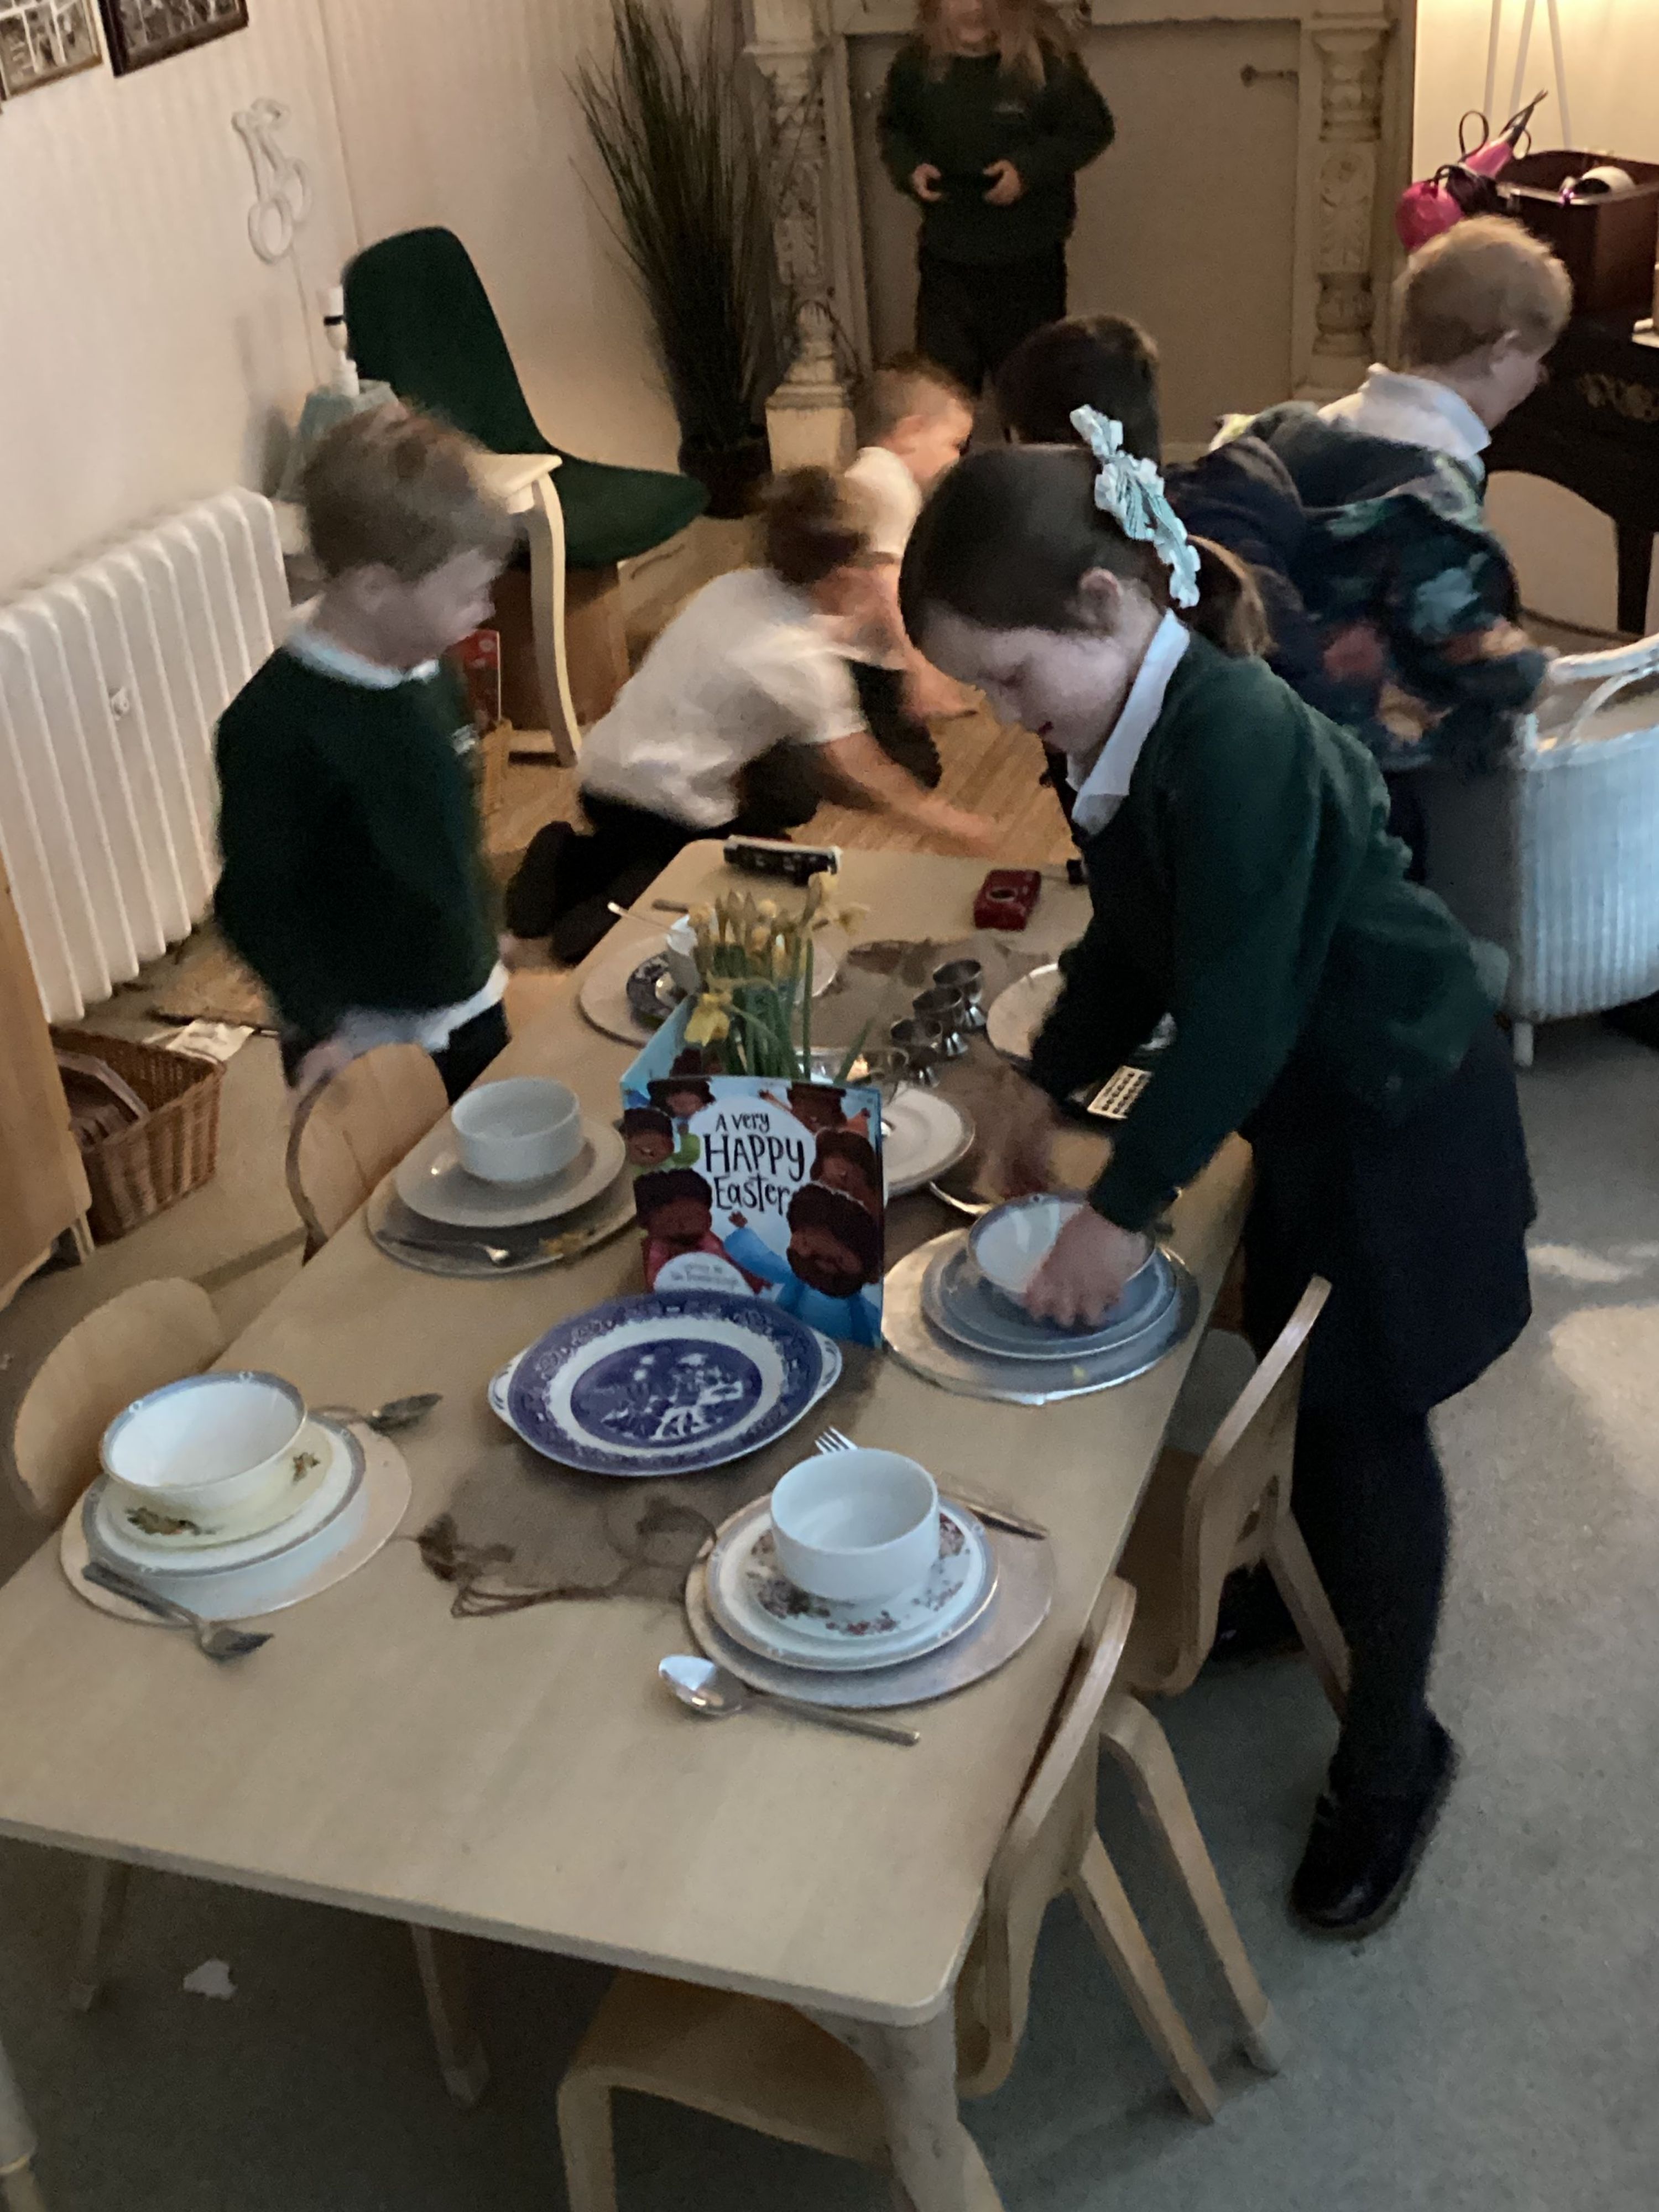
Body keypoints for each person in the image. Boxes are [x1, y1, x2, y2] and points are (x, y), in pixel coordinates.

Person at [899, 420, 1535, 1938]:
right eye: (980, 690)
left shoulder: (1233, 737)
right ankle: (1281, 1583)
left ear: (1107, 604)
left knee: (1373, 1429)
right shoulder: (1121, 726)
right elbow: (1138, 947)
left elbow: (1239, 1010)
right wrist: (1043, 1085)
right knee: (1301, 1375)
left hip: (1399, 1107)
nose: (1005, 714)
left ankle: (1394, 1753)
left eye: (1011, 677)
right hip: (1317, 1103)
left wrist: (1119, 1215)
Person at [503, 469, 995, 967]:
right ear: (844, 577)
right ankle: (599, 917)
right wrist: (954, 825)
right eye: (872, 564)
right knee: (768, 894)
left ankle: (569, 858)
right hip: (669, 807)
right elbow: (862, 773)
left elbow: (766, 654)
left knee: (721, 828)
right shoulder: (799, 663)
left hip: (601, 777)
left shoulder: (731, 588)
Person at [1220, 217, 1571, 872]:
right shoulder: (1430, 493)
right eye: (1536, 361)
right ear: (1504, 350)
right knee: (1394, 873)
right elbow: (1458, 633)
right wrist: (1536, 674)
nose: (1536, 378)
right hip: (1364, 747)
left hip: (1264, 712)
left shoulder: (1306, 428)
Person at [215, 405, 514, 1101]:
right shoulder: (276, 725)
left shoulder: (429, 669)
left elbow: (452, 829)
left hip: (467, 995)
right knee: (397, 1168)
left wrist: (482, 928)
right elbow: (255, 897)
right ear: (374, 588)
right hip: (363, 1034)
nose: (486, 610)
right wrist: (318, 1022)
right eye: (468, 594)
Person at [878, 0, 1113, 400]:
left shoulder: (1043, 63)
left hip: (1028, 260)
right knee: (943, 391)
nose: (974, 8)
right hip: (948, 257)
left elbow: (1090, 129)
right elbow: (894, 129)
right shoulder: (917, 66)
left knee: (1033, 390)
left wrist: (1028, 170)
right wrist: (910, 169)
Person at [842, 352, 979, 780]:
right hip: (854, 657)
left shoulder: (871, 474)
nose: (956, 460)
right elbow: (886, 580)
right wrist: (919, 668)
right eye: (954, 445)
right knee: (916, 771)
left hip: (860, 652)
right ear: (910, 433)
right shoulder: (889, 484)